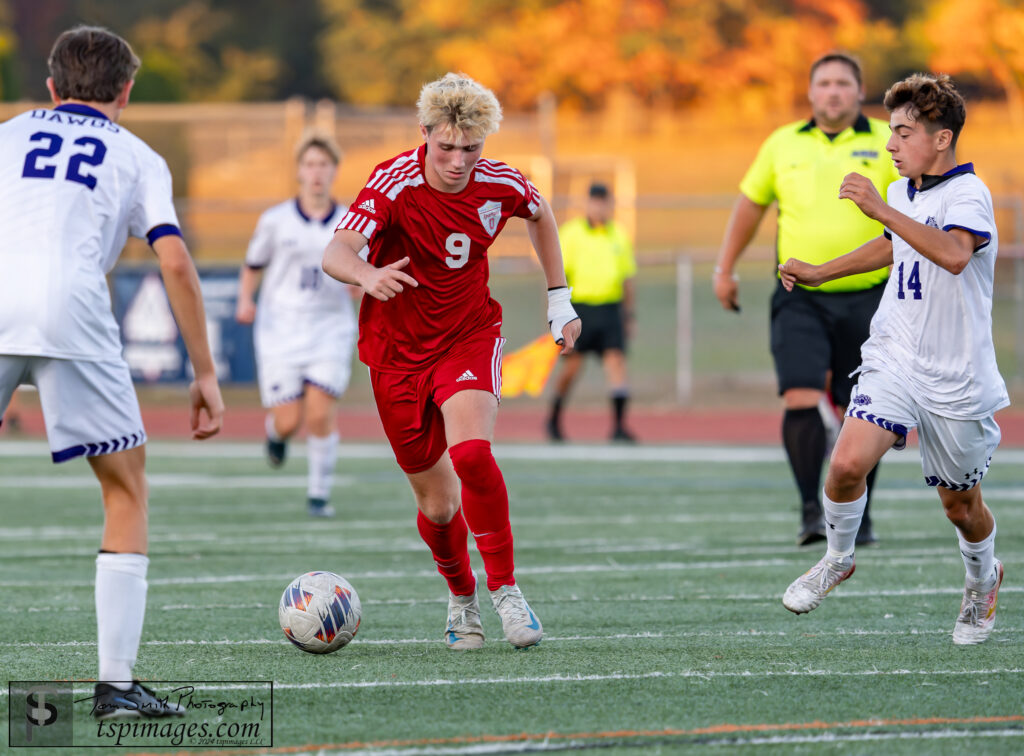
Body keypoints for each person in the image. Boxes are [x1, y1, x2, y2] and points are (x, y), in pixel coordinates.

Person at [0, 27, 224, 715]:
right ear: (125, 92)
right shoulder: (138, 155)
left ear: (50, 88)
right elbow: (177, 262)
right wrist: (205, 373)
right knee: (125, 488)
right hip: (74, 311)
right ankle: (116, 684)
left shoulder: (8, 134)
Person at [322, 73, 580, 650]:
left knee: (470, 452)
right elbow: (336, 251)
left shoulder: (500, 182)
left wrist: (558, 298)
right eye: (447, 147)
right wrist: (368, 274)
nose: (459, 160)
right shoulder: (393, 181)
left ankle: (507, 592)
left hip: (468, 334)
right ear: (424, 134)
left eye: (472, 148)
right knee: (438, 507)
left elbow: (540, 214)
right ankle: (462, 598)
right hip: (395, 354)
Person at [779, 73, 1007, 645]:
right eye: (891, 132)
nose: (890, 145)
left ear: (942, 139)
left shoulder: (967, 195)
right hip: (896, 353)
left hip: (956, 375)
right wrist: (820, 271)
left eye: (903, 133)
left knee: (961, 505)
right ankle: (838, 557)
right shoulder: (904, 192)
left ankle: (984, 576)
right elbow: (894, 246)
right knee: (846, 465)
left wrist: (881, 208)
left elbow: (954, 254)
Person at [714, 53, 900, 546]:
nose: (834, 91)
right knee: (799, 395)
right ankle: (809, 512)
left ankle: (857, 513)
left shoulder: (887, 140)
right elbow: (751, 205)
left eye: (843, 83)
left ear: (859, 91)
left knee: (864, 408)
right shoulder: (781, 143)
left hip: (870, 299)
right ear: (811, 92)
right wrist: (725, 268)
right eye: (824, 83)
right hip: (798, 297)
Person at [236, 132, 356, 518]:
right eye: (310, 165)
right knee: (289, 420)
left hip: (330, 327)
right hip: (280, 328)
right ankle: (276, 435)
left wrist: (360, 285)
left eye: (323, 164)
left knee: (320, 413)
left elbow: (361, 271)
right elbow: (253, 265)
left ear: (334, 170)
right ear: (299, 172)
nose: (317, 172)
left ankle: (318, 495)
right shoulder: (275, 220)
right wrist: (244, 300)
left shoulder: (351, 221)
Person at [546, 182, 637, 442]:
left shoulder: (618, 235)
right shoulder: (572, 234)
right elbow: (558, 276)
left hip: (610, 310)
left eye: (603, 201)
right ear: (587, 203)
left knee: (616, 364)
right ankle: (553, 421)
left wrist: (629, 315)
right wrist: (557, 314)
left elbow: (628, 278)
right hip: (581, 310)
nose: (599, 207)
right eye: (594, 201)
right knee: (571, 369)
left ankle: (619, 427)